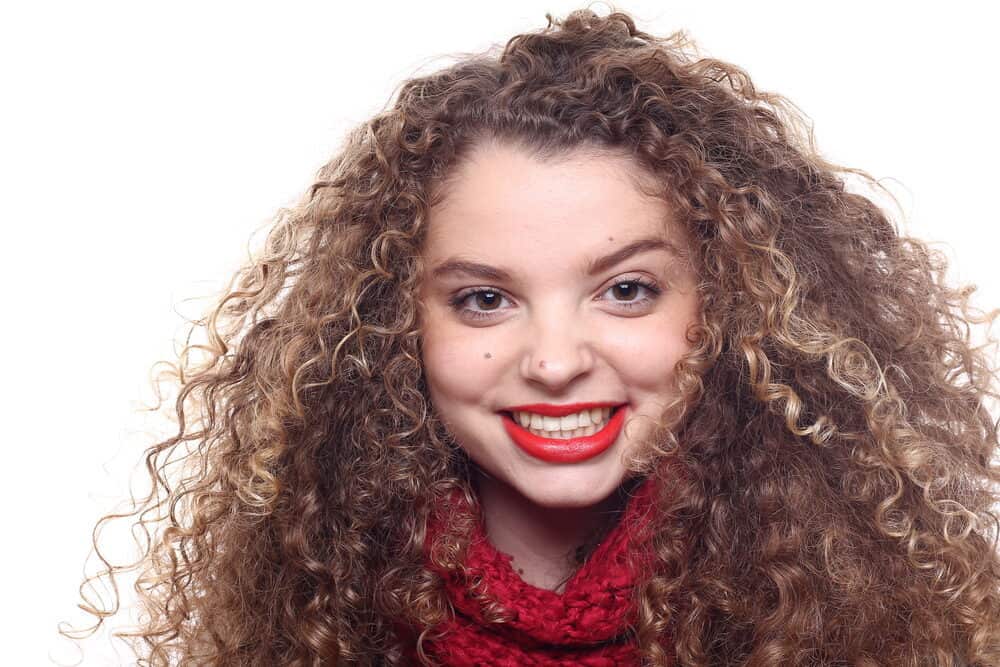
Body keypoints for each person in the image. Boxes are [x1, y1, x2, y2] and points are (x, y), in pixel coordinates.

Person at [62, 7, 1000, 665]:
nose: (554, 361)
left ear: (728, 307)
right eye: (483, 301)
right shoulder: (307, 618)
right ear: (396, 329)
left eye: (627, 289)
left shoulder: (893, 622)